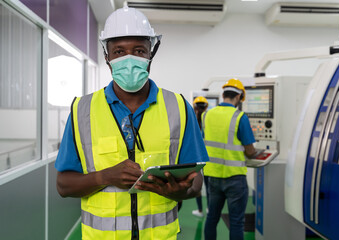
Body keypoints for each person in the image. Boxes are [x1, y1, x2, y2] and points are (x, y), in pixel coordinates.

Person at [55, 6, 209, 240]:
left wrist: (181, 192)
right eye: (118, 51)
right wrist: (105, 177)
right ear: (107, 57)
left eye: (138, 50)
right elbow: (64, 185)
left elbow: (195, 181)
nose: (129, 59)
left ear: (151, 53)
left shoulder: (179, 107)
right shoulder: (81, 111)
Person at [203, 79, 258, 240]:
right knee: (236, 222)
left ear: (224, 94)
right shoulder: (240, 117)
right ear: (239, 97)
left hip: (213, 177)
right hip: (235, 178)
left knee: (212, 218)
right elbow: (249, 150)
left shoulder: (207, 115)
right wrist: (255, 154)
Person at [191, 96, 209, 218]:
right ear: (206, 106)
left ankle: (200, 210)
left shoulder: (191, 117)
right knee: (208, 185)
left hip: (195, 155)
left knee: (197, 184)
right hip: (208, 155)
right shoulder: (209, 118)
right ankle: (209, 208)